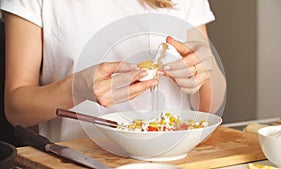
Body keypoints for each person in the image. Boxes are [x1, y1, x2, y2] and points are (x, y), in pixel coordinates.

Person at [0, 0, 226, 142]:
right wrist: (75, 89)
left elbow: (209, 105)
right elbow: (16, 109)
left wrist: (206, 71)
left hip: (176, 159)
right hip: (77, 160)